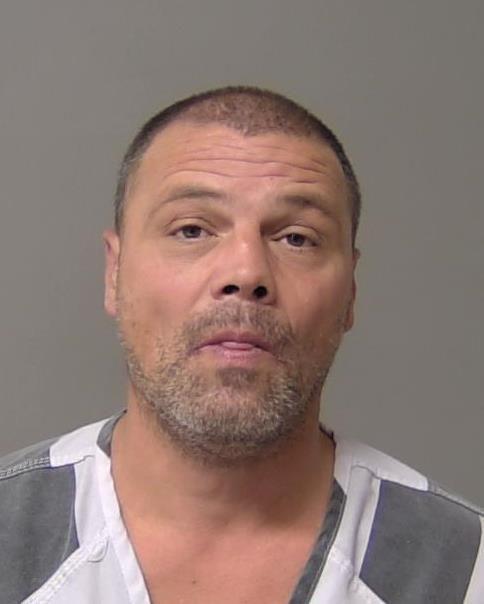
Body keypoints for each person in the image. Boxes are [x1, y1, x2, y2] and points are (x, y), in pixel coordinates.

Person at [0, 86, 482, 604]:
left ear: (350, 292)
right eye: (191, 230)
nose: (247, 272)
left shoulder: (467, 571)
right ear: (114, 273)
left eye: (297, 238)